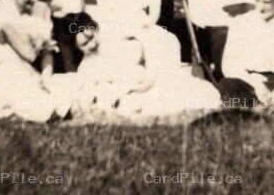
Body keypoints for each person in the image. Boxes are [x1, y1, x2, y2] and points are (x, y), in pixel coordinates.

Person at [56, 14, 223, 126]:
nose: (91, 44)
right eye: (84, 45)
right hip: (134, 85)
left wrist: (151, 76)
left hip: (155, 62)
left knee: (181, 89)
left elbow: (154, 40)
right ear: (77, 48)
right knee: (135, 105)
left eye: (91, 37)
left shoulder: (116, 32)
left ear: (94, 28)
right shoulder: (87, 67)